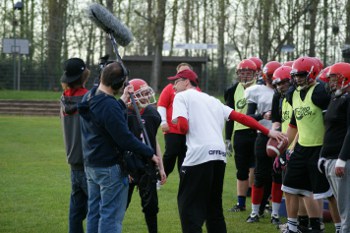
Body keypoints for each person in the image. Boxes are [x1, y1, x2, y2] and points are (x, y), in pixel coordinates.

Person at [169, 69, 286, 233]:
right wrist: (268, 132)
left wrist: (172, 124)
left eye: (176, 81)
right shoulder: (213, 100)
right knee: (214, 208)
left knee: (188, 207)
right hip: (219, 156)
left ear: (186, 82)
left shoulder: (181, 97)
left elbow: (183, 127)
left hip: (198, 156)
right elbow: (242, 117)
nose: (173, 86)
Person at [78, 61, 160, 233]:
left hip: (92, 165)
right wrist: (150, 153)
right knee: (111, 216)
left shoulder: (91, 96)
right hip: (109, 168)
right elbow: (125, 139)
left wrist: (123, 99)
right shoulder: (108, 105)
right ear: (117, 84)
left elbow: (107, 112)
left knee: (95, 212)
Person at [282, 56, 331, 233]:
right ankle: (293, 226)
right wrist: (284, 149)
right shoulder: (293, 94)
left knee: (319, 192)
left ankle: (318, 227)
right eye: (295, 75)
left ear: (313, 73)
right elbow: (294, 125)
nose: (297, 79)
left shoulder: (320, 92)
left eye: (301, 75)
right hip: (302, 147)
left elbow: (331, 123)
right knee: (289, 187)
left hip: (320, 147)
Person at [125, 78, 167, 233]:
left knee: (151, 207)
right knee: (120, 206)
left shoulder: (152, 114)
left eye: (147, 93)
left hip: (147, 165)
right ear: (133, 96)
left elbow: (153, 140)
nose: (147, 97)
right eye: (143, 94)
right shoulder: (123, 113)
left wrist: (161, 167)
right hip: (128, 165)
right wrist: (124, 167)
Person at [245, 60, 283, 225]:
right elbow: (248, 118)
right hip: (263, 135)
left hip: (281, 137)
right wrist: (262, 116)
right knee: (260, 174)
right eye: (268, 76)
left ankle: (275, 213)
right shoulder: (256, 91)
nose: (270, 79)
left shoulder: (287, 93)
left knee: (277, 175)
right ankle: (255, 212)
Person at [318, 62, 349, 233]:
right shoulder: (336, 98)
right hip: (331, 158)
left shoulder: (348, 98)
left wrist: (342, 159)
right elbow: (330, 131)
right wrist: (323, 155)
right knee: (340, 202)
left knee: (346, 205)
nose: (331, 82)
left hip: (342, 159)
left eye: (335, 78)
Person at [60, 57, 90, 233]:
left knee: (76, 213)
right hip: (89, 162)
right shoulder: (88, 98)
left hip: (73, 161)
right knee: (98, 210)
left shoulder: (63, 98)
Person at [225, 58, 259, 212]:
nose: (245, 75)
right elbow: (229, 116)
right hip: (240, 133)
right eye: (242, 72)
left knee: (257, 167)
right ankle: (241, 203)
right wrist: (227, 138)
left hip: (259, 131)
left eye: (248, 72)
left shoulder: (261, 88)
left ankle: (258, 201)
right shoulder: (232, 90)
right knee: (241, 169)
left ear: (255, 73)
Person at [157, 63, 194, 178]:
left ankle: (184, 179)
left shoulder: (195, 91)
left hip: (188, 130)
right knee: (171, 154)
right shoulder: (170, 88)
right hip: (172, 129)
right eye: (180, 72)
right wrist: (163, 121)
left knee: (185, 157)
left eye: (186, 72)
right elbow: (161, 105)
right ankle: (161, 177)